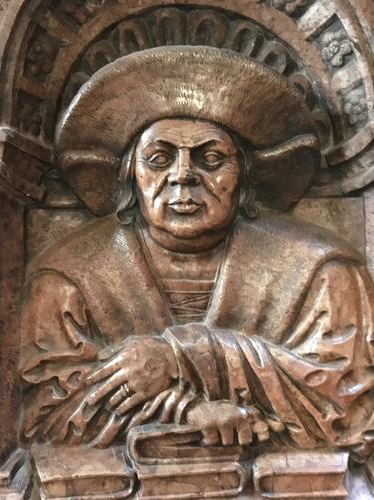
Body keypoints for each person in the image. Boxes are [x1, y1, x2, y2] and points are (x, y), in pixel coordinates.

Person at [21, 46, 374, 461]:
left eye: (210, 158)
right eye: (158, 159)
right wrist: (185, 409)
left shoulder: (324, 272)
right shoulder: (67, 279)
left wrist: (185, 355)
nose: (183, 175)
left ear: (243, 175)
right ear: (130, 175)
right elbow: (47, 411)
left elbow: (348, 407)